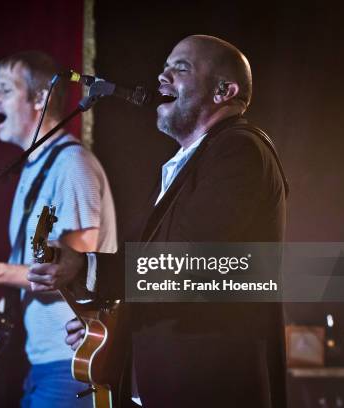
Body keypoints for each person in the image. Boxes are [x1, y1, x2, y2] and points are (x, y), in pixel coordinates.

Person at [28, 35, 288, 407]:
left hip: (211, 387)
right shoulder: (189, 162)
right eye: (163, 67)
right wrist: (106, 327)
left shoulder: (240, 150)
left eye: (180, 68)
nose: (162, 77)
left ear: (223, 91)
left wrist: (87, 268)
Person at [0, 50, 117, 408]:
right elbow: (37, 266)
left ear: (40, 98)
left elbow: (74, 270)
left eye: (4, 90)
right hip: (42, 364)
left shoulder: (71, 164)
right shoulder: (33, 168)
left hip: (71, 363)